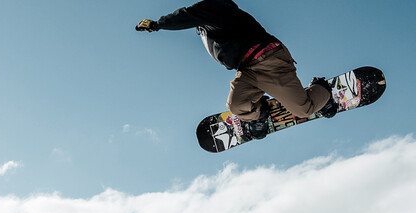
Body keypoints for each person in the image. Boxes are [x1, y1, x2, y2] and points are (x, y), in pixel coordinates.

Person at [137, 0, 333, 140]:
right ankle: (260, 113)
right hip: (247, 70)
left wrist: (157, 24)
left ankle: (321, 89)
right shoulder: (209, 19)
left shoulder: (215, 7)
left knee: (303, 110)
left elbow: (186, 15)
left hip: (269, 61)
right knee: (237, 105)